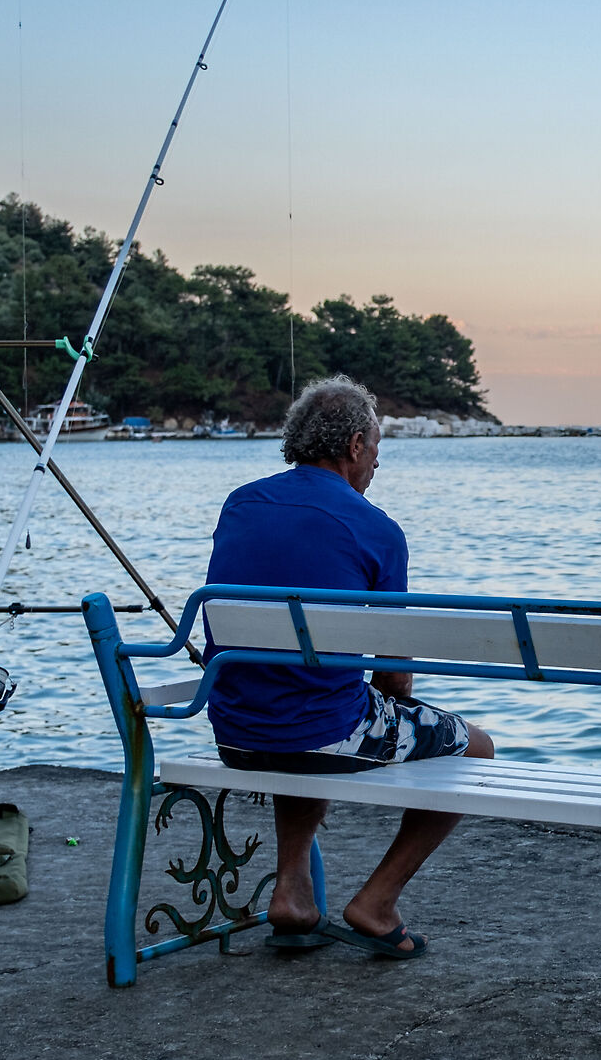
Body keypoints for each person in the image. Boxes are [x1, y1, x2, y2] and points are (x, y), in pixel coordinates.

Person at [204, 374, 484, 959]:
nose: (378, 465)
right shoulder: (377, 529)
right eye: (377, 449)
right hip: (317, 733)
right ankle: (377, 902)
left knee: (305, 704)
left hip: (235, 731)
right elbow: (394, 676)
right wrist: (398, 703)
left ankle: (292, 891)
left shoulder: (242, 503)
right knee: (474, 749)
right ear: (355, 445)